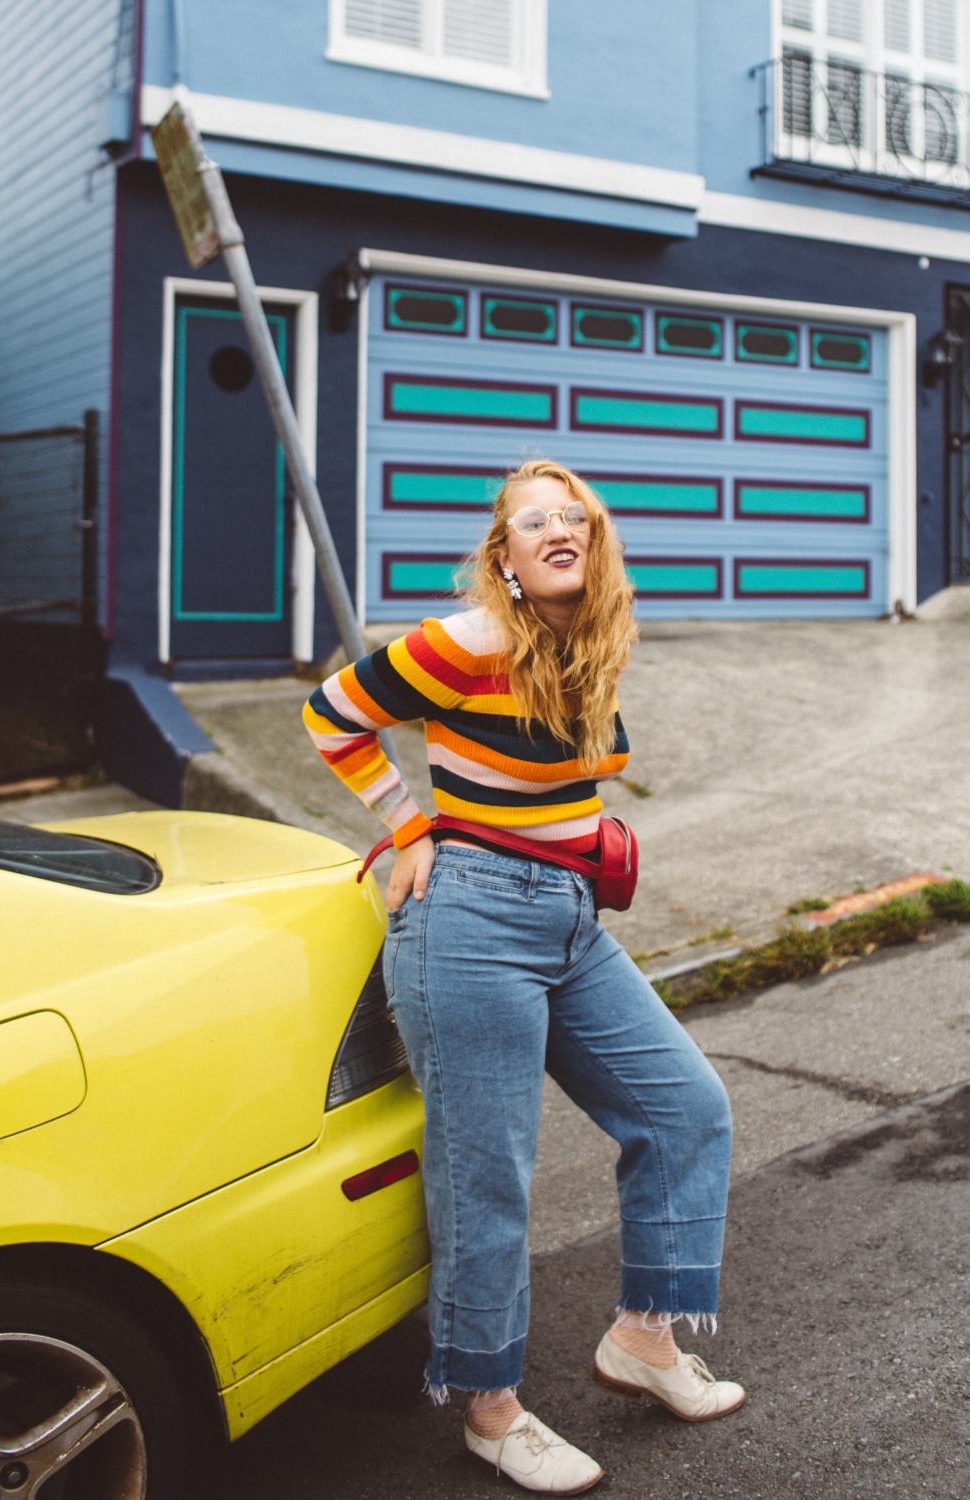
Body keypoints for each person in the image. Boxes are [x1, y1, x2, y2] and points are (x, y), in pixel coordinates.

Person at [304, 460, 742, 1494]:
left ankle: (643, 1341)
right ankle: (490, 1409)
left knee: (685, 1109)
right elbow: (330, 714)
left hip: (568, 920)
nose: (556, 530)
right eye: (531, 521)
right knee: (489, 1175)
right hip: (468, 923)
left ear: (594, 542)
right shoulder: (469, 638)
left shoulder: (588, 644)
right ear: (502, 556)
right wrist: (407, 827)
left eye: (572, 518)